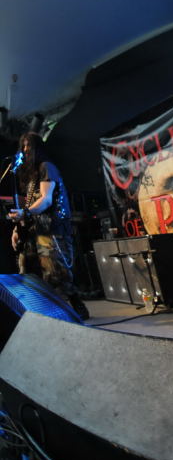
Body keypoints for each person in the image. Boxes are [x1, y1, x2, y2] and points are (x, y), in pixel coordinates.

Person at [8, 132, 89, 320]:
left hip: (51, 226)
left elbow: (46, 199)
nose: (25, 150)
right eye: (23, 146)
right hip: (33, 227)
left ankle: (76, 304)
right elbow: (28, 204)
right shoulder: (30, 176)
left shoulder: (47, 167)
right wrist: (17, 228)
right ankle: (39, 311)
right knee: (26, 268)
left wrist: (25, 214)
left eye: (29, 146)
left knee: (55, 271)